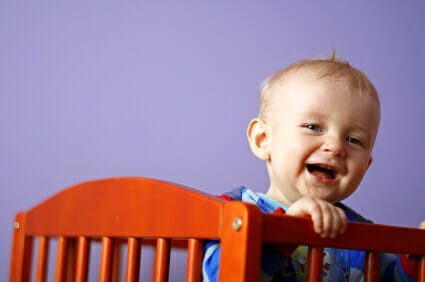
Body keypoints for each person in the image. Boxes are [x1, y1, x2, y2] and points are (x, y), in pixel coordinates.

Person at [202, 54, 421, 281]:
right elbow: (224, 275)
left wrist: (414, 261)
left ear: (366, 166)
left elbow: (388, 278)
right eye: (313, 126)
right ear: (263, 139)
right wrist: (286, 231)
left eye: (354, 140)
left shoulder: (360, 233)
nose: (335, 147)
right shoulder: (233, 211)